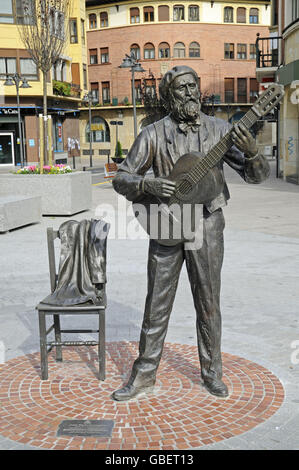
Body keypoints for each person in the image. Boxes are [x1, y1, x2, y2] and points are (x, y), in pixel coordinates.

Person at [111, 65, 270, 401]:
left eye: (193, 86)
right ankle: (143, 376)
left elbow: (256, 176)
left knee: (209, 302)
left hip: (207, 223)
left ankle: (212, 373)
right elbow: (121, 178)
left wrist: (254, 150)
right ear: (169, 97)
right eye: (181, 88)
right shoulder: (152, 134)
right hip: (165, 224)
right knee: (156, 304)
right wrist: (147, 183)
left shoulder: (220, 130)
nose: (190, 93)